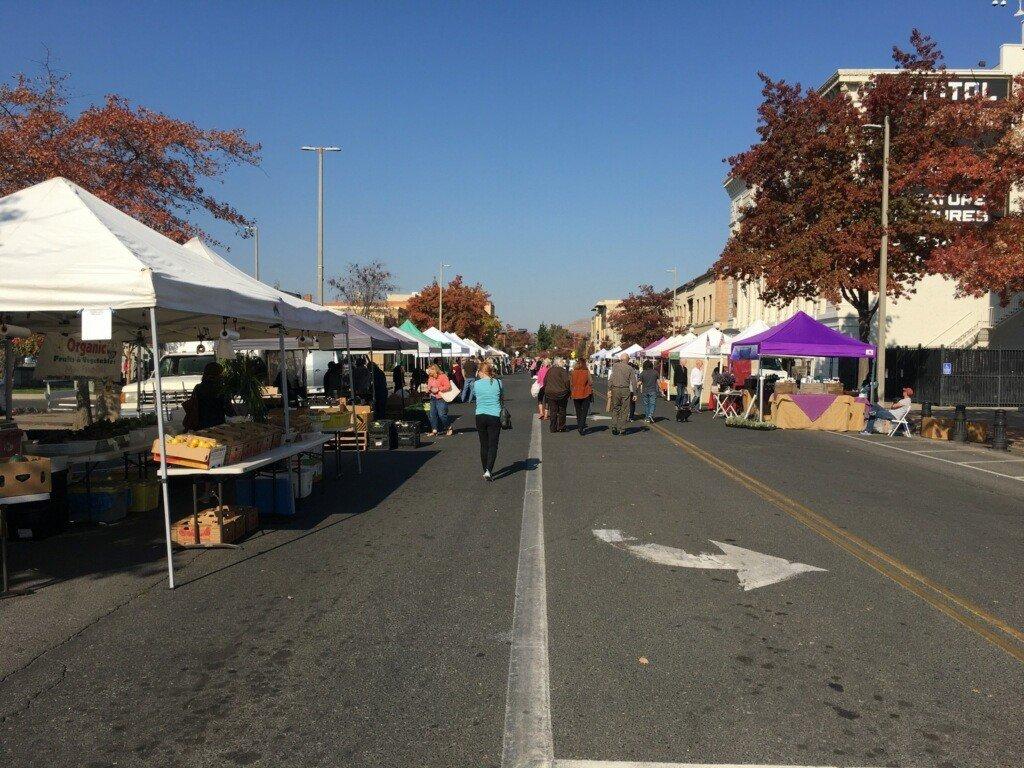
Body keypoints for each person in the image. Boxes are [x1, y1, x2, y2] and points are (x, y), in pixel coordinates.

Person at [472, 362, 504, 480]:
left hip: (480, 415)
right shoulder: (498, 383)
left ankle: (485, 468)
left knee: (483, 444)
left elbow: (475, 395)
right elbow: (502, 396)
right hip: (495, 415)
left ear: (481, 372)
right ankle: (489, 470)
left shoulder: (476, 384)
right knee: (493, 445)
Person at [188, 362, 235, 430]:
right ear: (219, 375)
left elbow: (193, 405)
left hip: (200, 425)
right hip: (217, 426)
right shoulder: (221, 389)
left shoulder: (198, 388)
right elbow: (229, 411)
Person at [608, 353, 638, 435]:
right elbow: (634, 382)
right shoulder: (630, 368)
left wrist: (609, 388)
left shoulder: (615, 366)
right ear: (628, 360)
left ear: (621, 359)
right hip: (625, 390)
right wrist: (635, 393)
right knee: (625, 409)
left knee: (615, 408)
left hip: (615, 389)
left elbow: (611, 378)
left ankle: (614, 426)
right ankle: (623, 429)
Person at [543, 357, 571, 433]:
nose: (563, 363)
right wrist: (568, 389)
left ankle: (553, 428)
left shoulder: (550, 370)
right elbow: (567, 381)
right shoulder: (563, 371)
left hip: (550, 393)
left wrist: (546, 388)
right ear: (560, 363)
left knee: (553, 411)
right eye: (562, 362)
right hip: (561, 393)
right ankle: (561, 427)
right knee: (562, 410)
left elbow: (545, 381)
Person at [425, 364, 454, 437]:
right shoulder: (430, 377)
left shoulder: (442, 376)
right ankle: (434, 430)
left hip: (441, 397)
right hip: (433, 397)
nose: (428, 372)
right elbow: (429, 385)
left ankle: (448, 427)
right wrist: (428, 389)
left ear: (434, 370)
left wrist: (438, 389)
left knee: (442, 415)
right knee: (432, 414)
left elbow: (448, 386)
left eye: (430, 370)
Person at [570, 358, 593, 435]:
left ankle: (579, 424)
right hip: (585, 393)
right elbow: (590, 382)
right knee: (584, 411)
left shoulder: (573, 372)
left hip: (575, 392)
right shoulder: (586, 372)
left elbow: (571, 383)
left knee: (578, 411)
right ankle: (581, 426)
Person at [639, 359, 659, 424]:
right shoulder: (655, 372)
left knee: (646, 404)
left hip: (645, 390)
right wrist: (661, 390)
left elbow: (640, 382)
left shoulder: (643, 373)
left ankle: (647, 417)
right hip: (653, 390)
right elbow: (658, 382)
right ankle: (650, 415)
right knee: (652, 404)